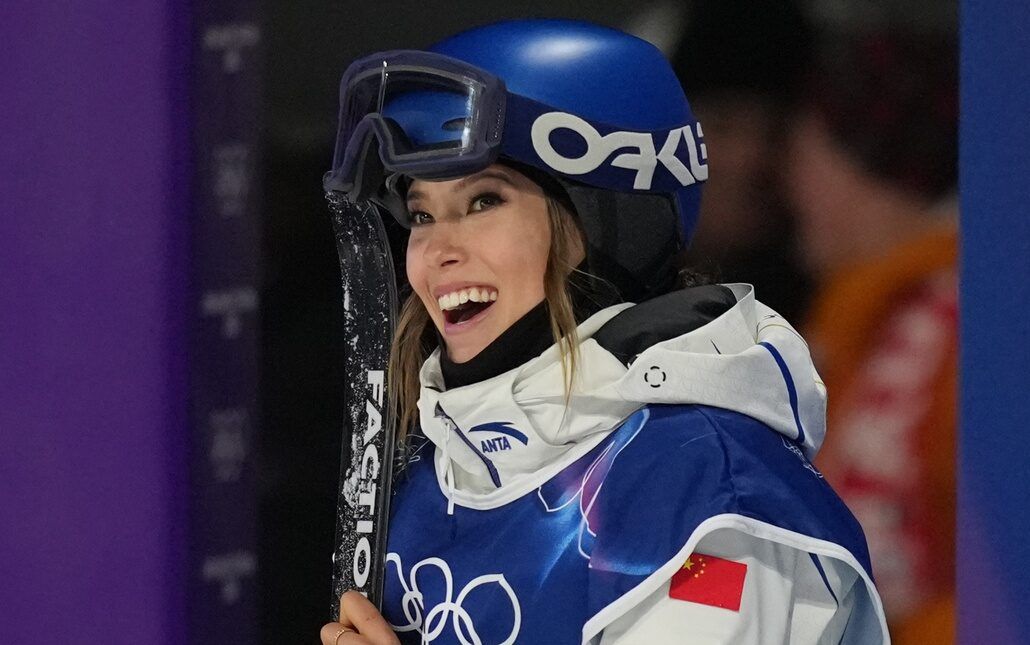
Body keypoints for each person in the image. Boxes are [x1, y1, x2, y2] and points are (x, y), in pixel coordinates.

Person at [320, 19, 889, 644]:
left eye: (484, 201)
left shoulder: (707, 498)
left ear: (606, 221)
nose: (436, 254)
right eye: (422, 214)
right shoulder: (437, 474)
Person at [785, 25, 958, 645]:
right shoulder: (867, 319)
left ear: (848, 161)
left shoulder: (956, 333)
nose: (791, 185)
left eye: (801, 153)